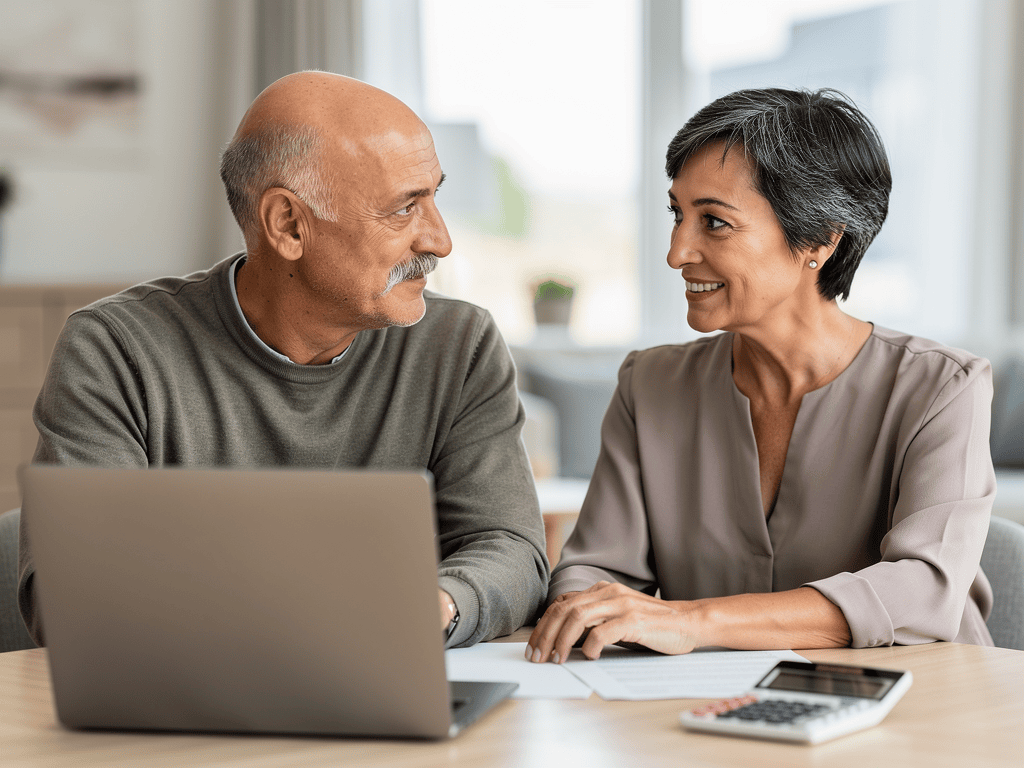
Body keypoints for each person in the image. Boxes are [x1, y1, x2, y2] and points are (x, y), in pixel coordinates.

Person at [18, 71, 548, 649]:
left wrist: (434, 606)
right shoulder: (115, 351)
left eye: (434, 197)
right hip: (181, 713)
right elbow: (73, 594)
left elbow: (512, 548)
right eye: (403, 210)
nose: (440, 240)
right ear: (288, 225)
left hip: (384, 694)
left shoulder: (459, 345)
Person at [527, 87, 994, 665]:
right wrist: (591, 613)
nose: (677, 252)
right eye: (678, 214)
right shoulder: (650, 385)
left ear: (821, 238)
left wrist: (692, 620)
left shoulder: (942, 388)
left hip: (928, 716)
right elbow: (595, 567)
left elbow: (926, 590)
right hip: (712, 717)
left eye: (714, 222)